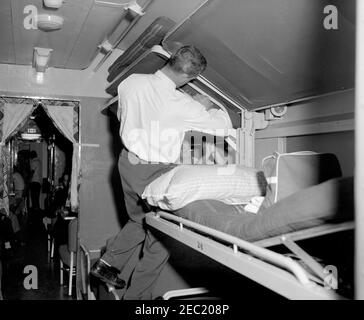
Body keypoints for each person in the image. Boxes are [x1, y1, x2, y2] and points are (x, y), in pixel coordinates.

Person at [91, 45, 232, 299]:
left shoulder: (131, 83)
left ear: (170, 59)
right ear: (190, 78)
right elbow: (222, 127)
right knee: (162, 240)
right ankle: (137, 298)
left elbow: (124, 116)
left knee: (139, 220)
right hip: (155, 171)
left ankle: (108, 263)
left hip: (127, 162)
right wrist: (208, 106)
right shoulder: (182, 103)